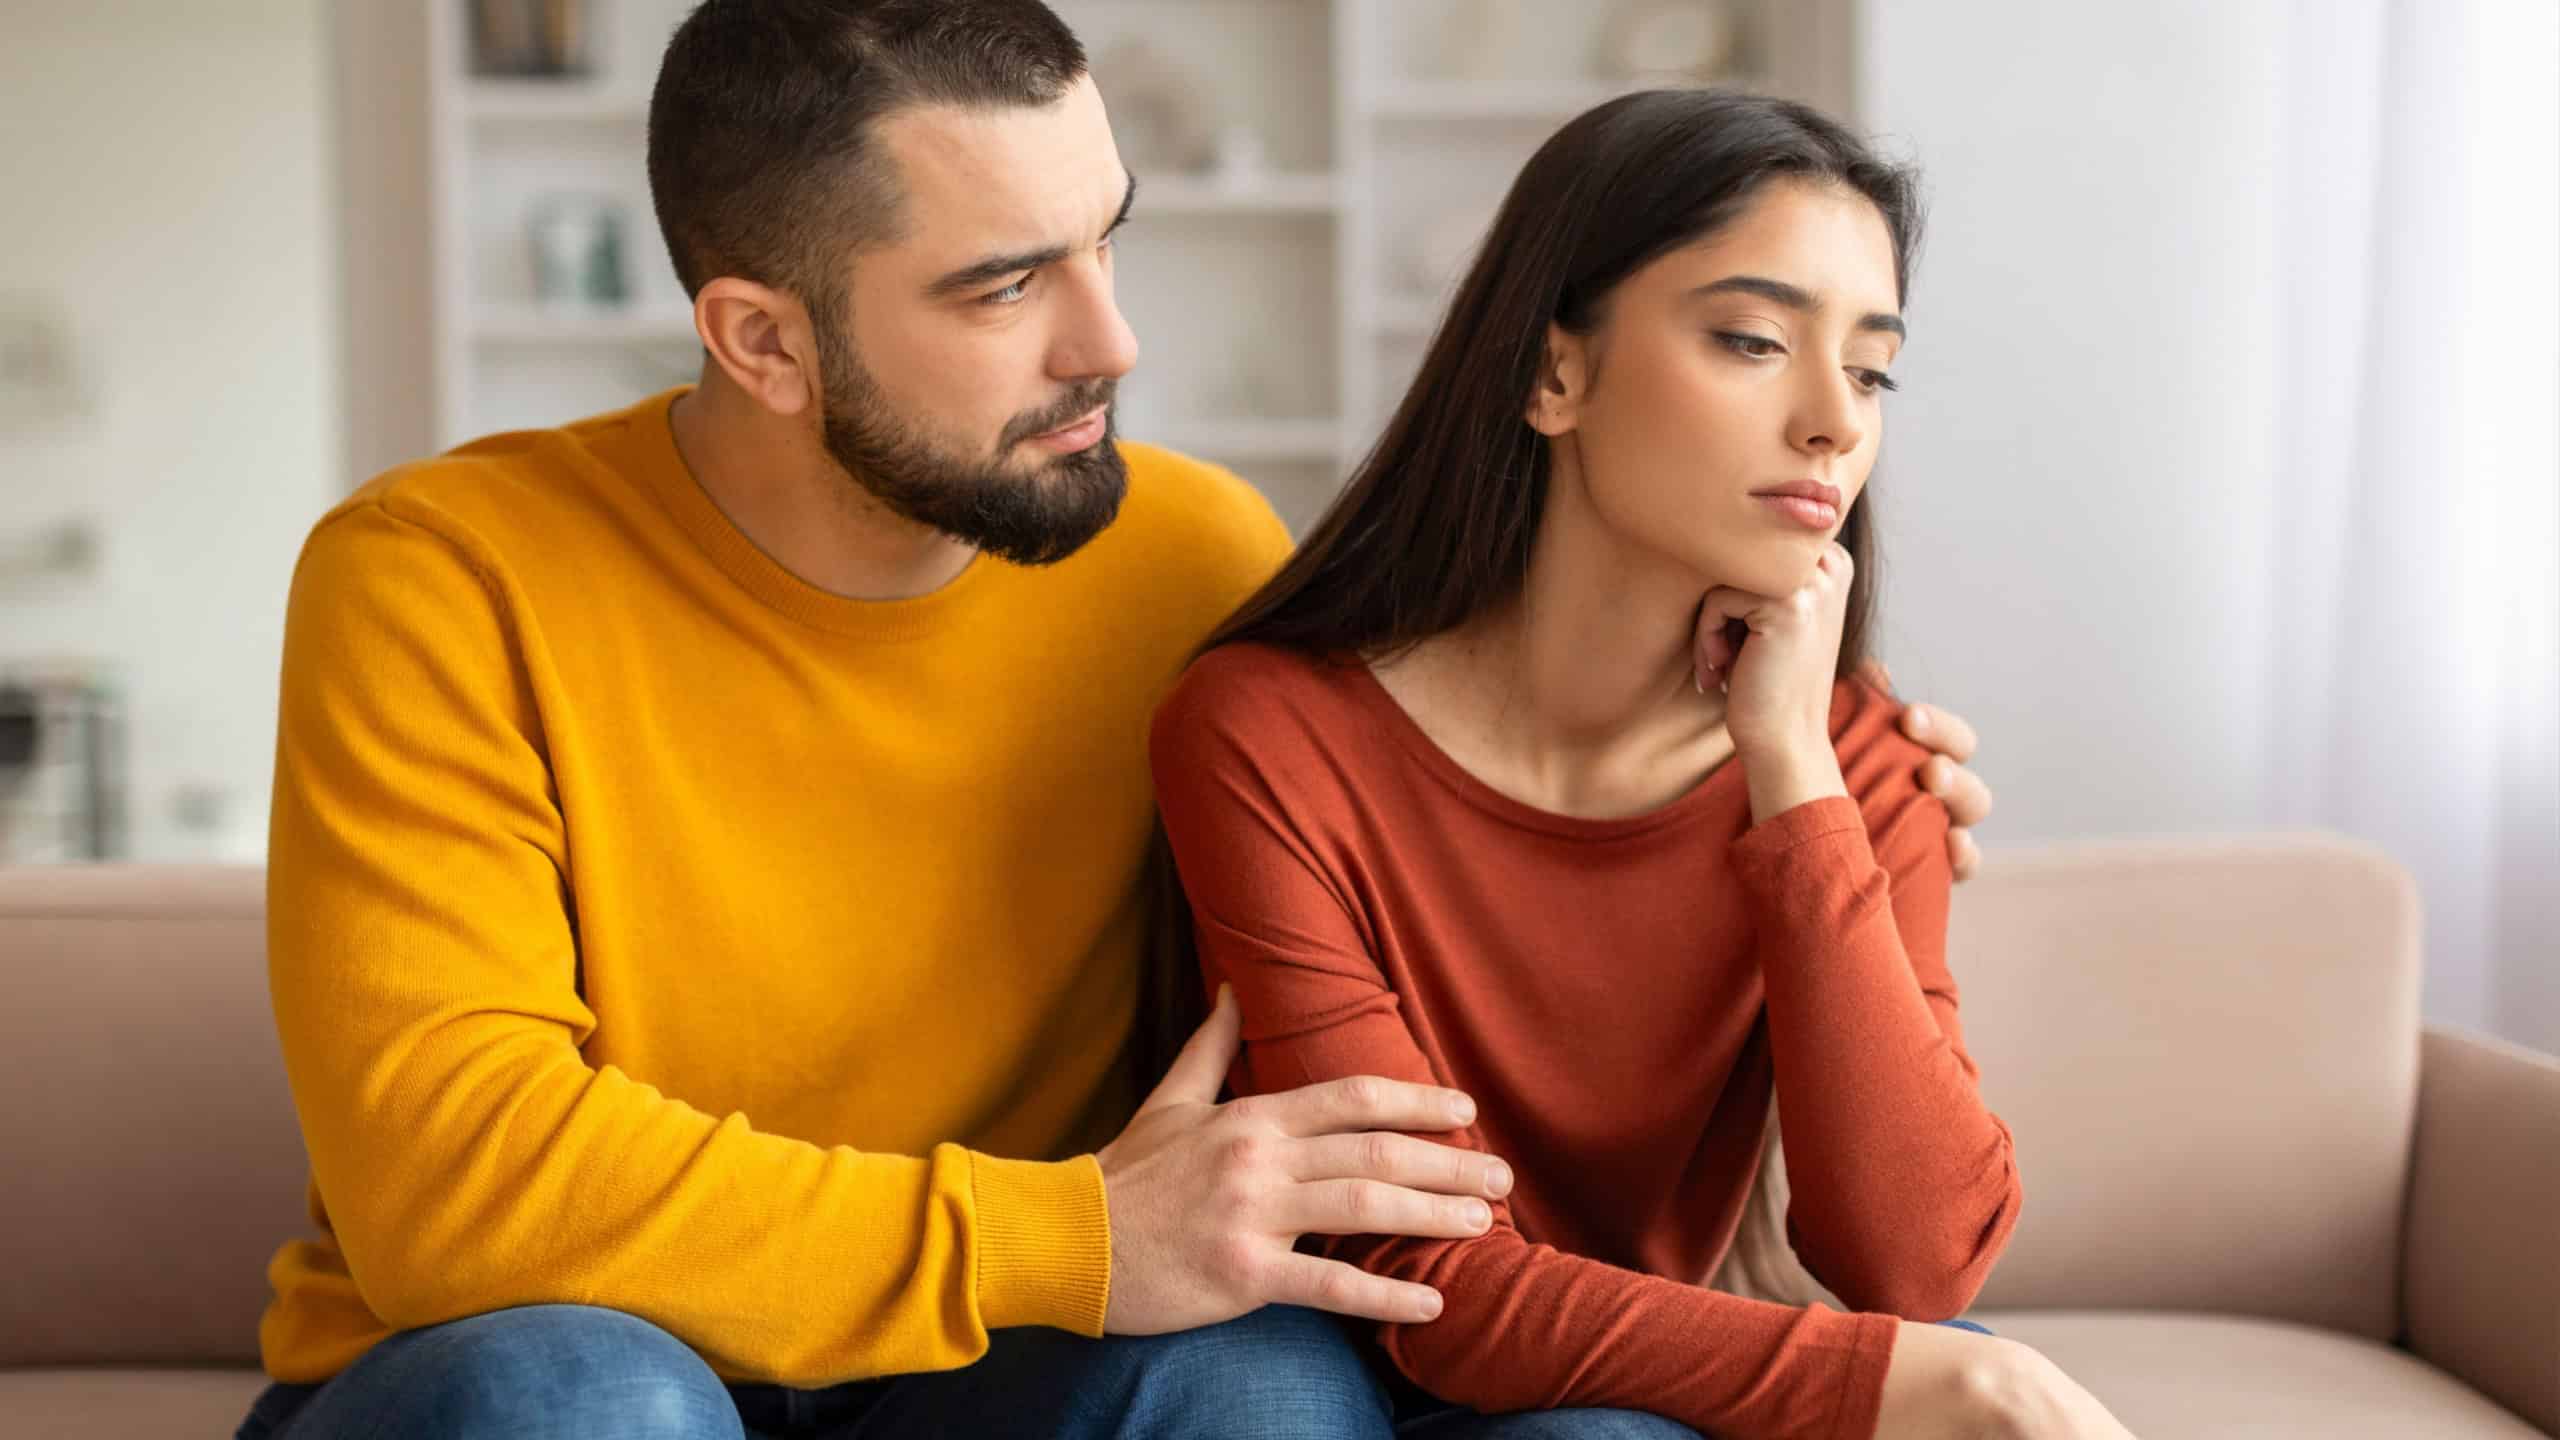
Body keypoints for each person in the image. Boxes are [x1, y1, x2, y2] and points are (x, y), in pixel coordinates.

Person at [236, 6, 1996, 1438]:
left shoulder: (1192, 563)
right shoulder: (441, 577)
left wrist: (1836, 807)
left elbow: (1442, 787)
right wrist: (1064, 1234)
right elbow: (451, 1190)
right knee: (583, 1399)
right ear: (762, 342)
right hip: (564, 1352)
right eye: (1006, 286)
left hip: (984, 1372)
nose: (1113, 340)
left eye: (1108, 242)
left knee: (1259, 1386)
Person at [1151, 89, 2134, 1440]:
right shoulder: (1268, 732)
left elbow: (1916, 1266)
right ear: (1554, 374)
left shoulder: (1853, 756)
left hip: (1627, 1373)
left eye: (1871, 370)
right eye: (1753, 340)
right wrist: (1924, 1380)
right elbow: (1428, 1274)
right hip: (1329, 1346)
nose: (1833, 423)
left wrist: (1794, 771)